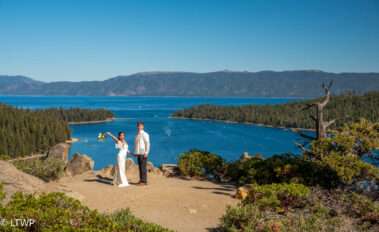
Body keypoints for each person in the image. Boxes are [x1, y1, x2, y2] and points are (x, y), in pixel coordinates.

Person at [134, 121, 150, 186]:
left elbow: (147, 143)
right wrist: (135, 152)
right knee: (140, 167)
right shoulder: (137, 134)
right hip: (138, 153)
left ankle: (144, 181)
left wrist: (146, 152)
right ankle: (141, 180)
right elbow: (136, 144)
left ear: (143, 126)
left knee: (143, 167)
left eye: (140, 126)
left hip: (143, 153)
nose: (139, 127)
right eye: (138, 126)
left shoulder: (145, 134)